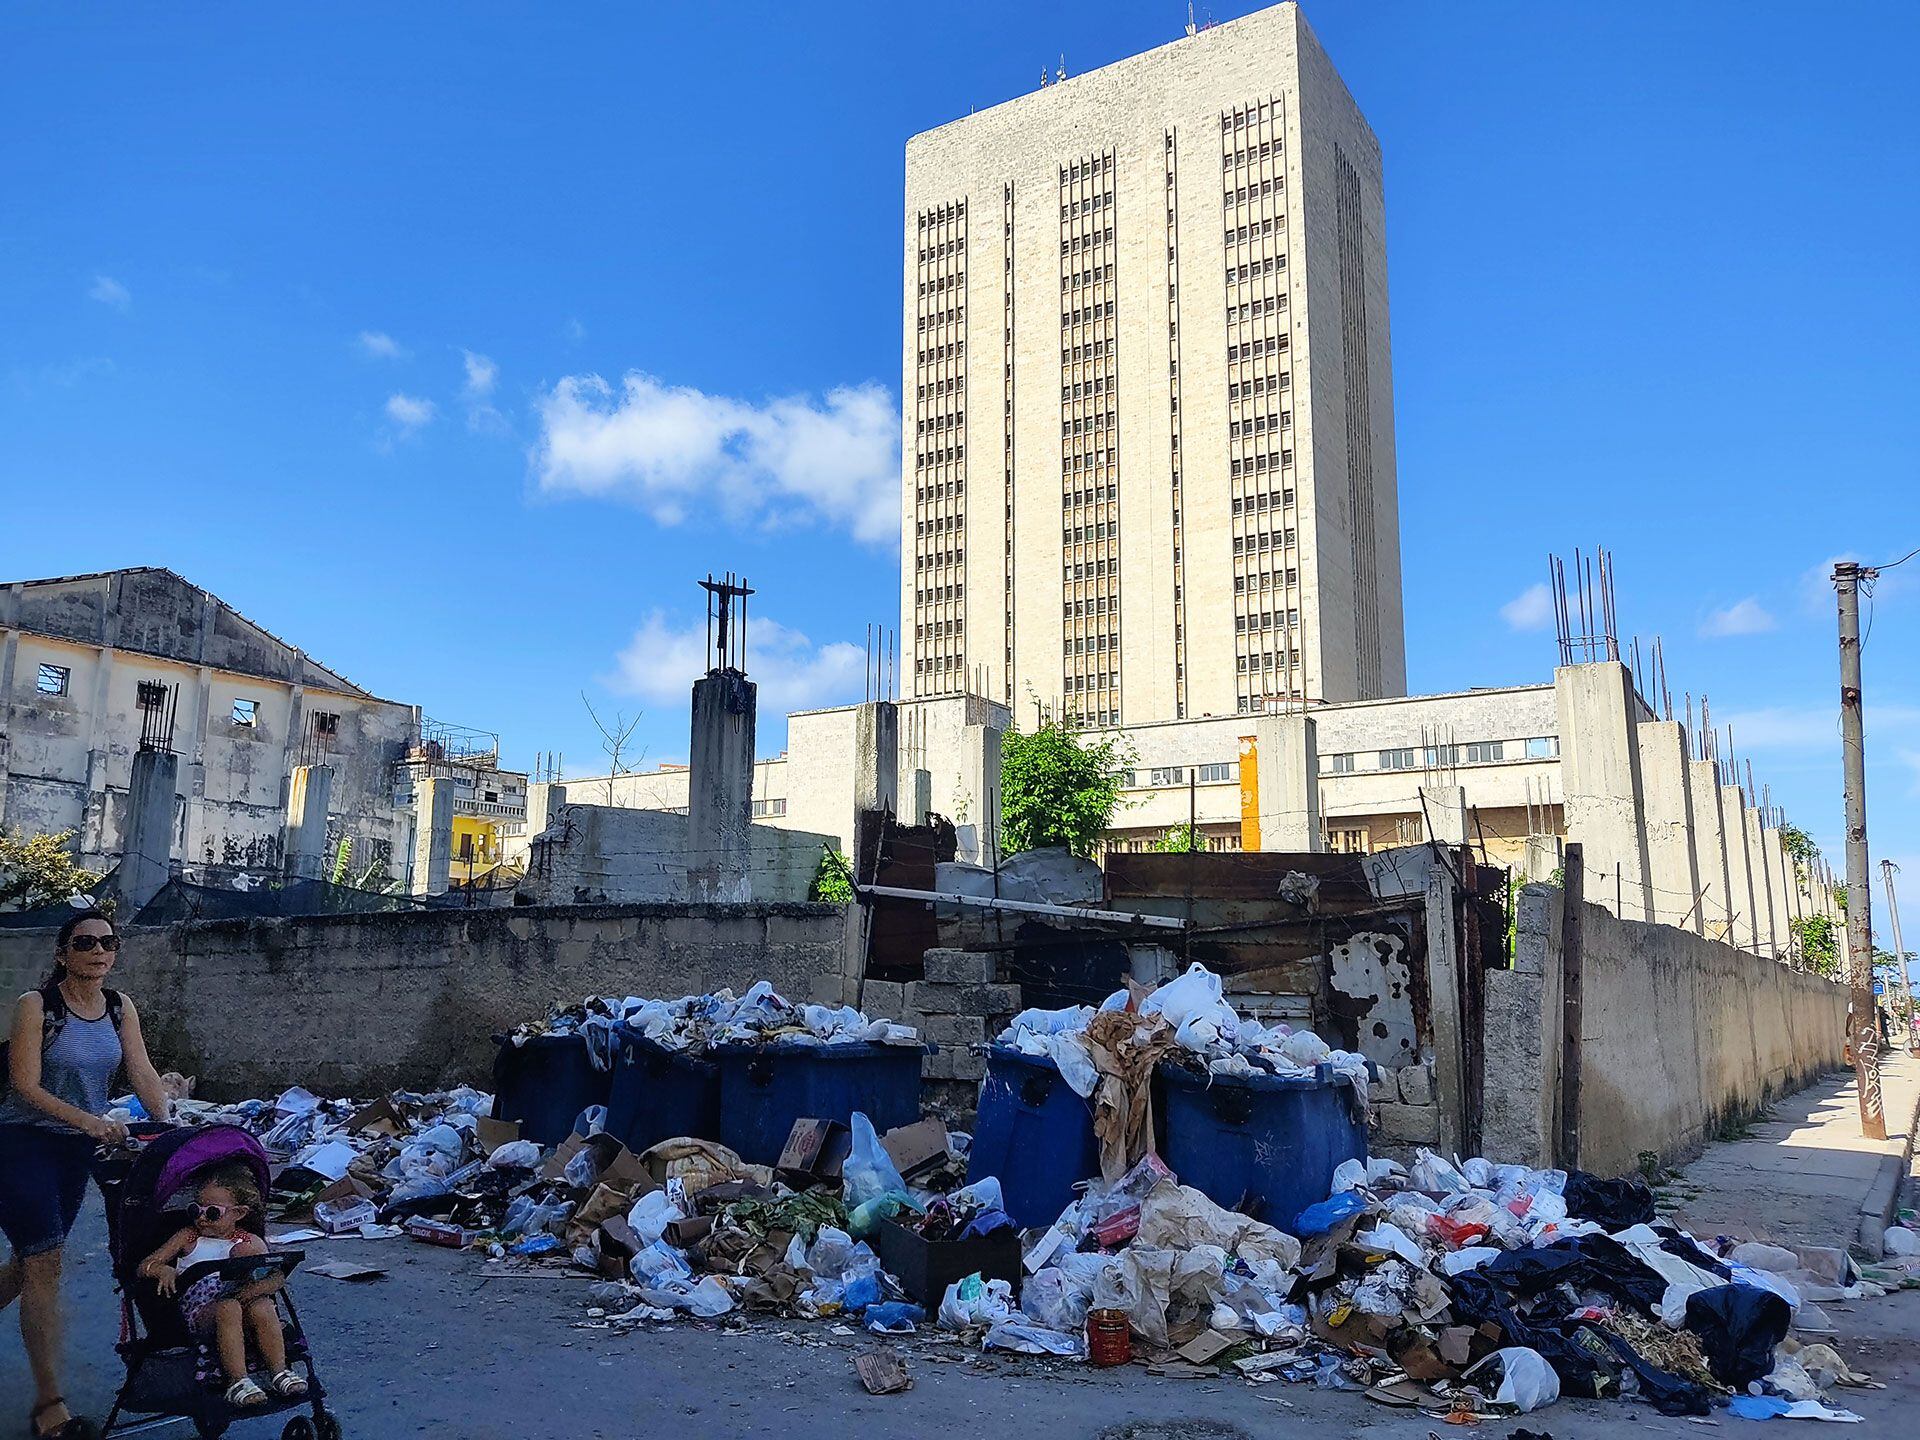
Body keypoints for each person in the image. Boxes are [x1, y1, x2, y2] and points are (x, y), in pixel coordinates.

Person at [0, 909, 171, 1440]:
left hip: (76, 1151)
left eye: (107, 942)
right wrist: (93, 1122)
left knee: (28, 1265)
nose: (98, 950)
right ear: (63, 953)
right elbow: (25, 1085)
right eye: (85, 942)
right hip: (19, 1143)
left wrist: (168, 1125)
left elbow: (140, 1068)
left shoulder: (120, 1008)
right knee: (45, 1262)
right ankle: (50, 1407)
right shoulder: (37, 1006)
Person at [137, 1164, 306, 1407]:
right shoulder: (190, 1236)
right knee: (228, 1307)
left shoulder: (247, 1240)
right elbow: (145, 1265)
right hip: (201, 1312)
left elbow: (275, 1276)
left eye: (213, 1212)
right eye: (196, 1209)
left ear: (238, 1213)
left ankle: (279, 1371)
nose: (201, 1217)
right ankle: (237, 1381)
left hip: (241, 1301)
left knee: (262, 1305)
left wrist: (256, 1289)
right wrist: (161, 1268)